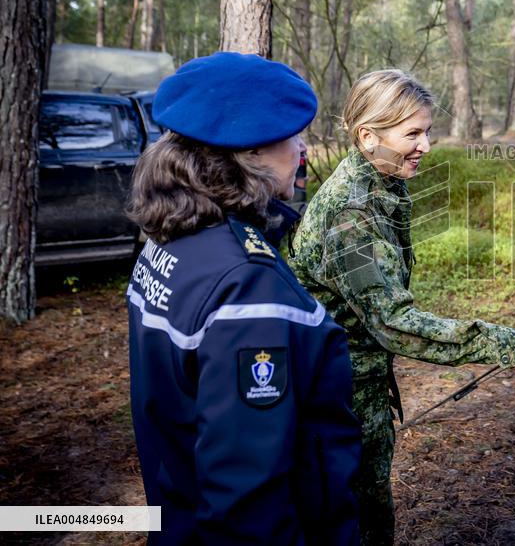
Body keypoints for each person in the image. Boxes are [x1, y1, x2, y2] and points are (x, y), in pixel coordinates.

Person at [290, 69, 515, 545]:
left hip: (355, 387)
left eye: (427, 131)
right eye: (412, 133)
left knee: (365, 506)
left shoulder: (381, 182)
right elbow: (393, 322)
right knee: (349, 518)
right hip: (336, 398)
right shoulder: (351, 214)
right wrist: (512, 346)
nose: (426, 144)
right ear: (368, 136)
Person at [126, 53, 361, 544]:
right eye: (294, 136)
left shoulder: (171, 238)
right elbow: (246, 499)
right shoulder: (246, 284)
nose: (302, 149)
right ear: (250, 152)